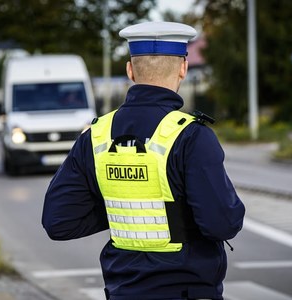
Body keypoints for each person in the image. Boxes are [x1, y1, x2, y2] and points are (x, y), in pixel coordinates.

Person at [42, 21, 245, 300]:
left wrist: (125, 205)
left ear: (129, 70)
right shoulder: (193, 137)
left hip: (123, 292)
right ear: (183, 68)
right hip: (188, 291)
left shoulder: (95, 136)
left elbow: (58, 221)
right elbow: (223, 224)